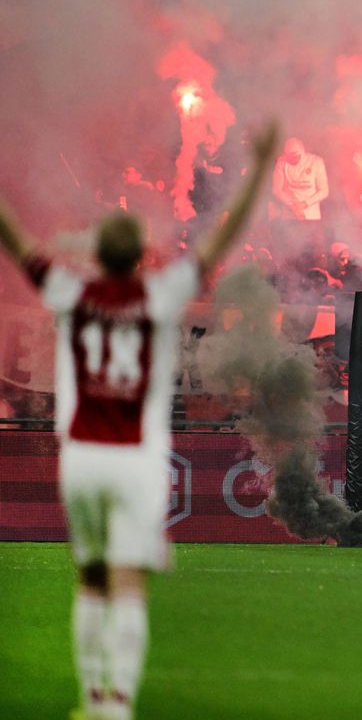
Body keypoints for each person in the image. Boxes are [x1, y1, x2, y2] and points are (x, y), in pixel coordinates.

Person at [0, 121, 279, 720]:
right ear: (142, 256)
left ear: (97, 256)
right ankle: (118, 703)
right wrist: (258, 167)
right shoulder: (160, 297)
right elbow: (219, 242)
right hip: (134, 460)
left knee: (91, 576)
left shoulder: (72, 296)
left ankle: (91, 695)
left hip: (80, 456)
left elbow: (15, 239)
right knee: (129, 579)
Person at [270, 137, 328, 263]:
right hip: (290, 217)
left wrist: (305, 203)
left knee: (313, 253)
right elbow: (276, 189)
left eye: (296, 156)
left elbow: (324, 191)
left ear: (303, 152)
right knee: (291, 254)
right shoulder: (282, 162)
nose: (293, 159)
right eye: (290, 156)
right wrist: (292, 205)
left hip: (311, 217)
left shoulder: (316, 162)